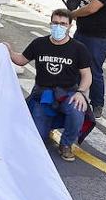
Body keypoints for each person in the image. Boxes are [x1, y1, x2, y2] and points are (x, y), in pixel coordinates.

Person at [7, 9, 92, 162]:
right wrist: (8, 50)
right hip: (43, 94)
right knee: (37, 137)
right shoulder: (39, 43)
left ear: (70, 26)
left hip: (68, 93)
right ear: (50, 23)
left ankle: (66, 144)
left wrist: (81, 92)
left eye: (63, 24)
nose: (58, 27)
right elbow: (21, 60)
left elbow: (87, 75)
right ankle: (48, 128)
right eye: (55, 23)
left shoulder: (79, 48)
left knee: (77, 111)